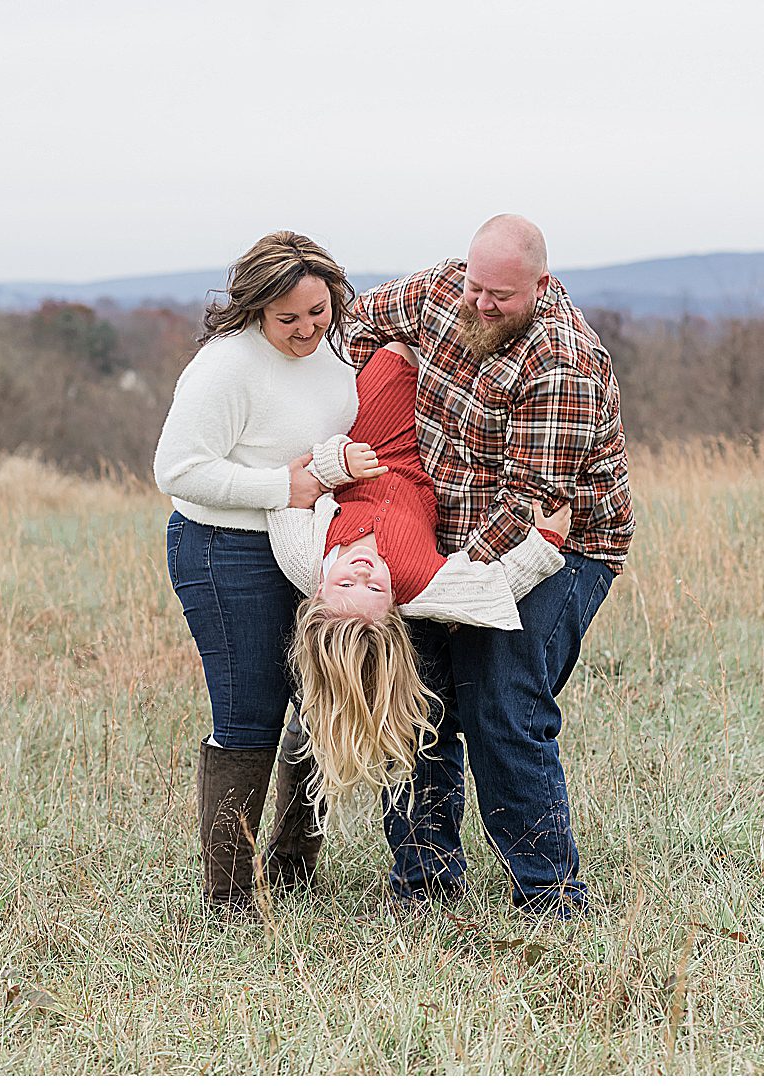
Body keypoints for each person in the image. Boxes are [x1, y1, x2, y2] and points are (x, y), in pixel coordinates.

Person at [345, 213, 634, 917]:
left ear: (541, 285)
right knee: (413, 698)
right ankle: (425, 886)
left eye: (499, 296)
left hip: (557, 548)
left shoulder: (562, 363)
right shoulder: (441, 291)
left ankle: (549, 897)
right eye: (475, 287)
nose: (480, 304)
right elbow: (357, 319)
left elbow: (529, 513)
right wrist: (387, 372)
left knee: (501, 703)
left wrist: (436, 587)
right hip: (438, 536)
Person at [262, 342, 571, 812]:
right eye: (375, 589)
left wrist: (334, 467)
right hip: (431, 467)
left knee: (397, 352)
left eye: (347, 584)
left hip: (367, 442)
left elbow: (289, 494)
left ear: (319, 593)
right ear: (394, 608)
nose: (363, 574)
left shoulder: (302, 558)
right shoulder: (420, 586)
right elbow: (494, 589)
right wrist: (545, 542)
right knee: (470, 378)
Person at [153, 230, 361, 909]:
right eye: (288, 318)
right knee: (249, 714)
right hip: (224, 549)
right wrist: (281, 487)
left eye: (317, 311)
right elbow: (177, 470)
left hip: (308, 547)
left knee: (324, 701)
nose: (306, 328)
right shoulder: (227, 367)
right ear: (255, 311)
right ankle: (230, 895)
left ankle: (296, 863)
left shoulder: (338, 355)